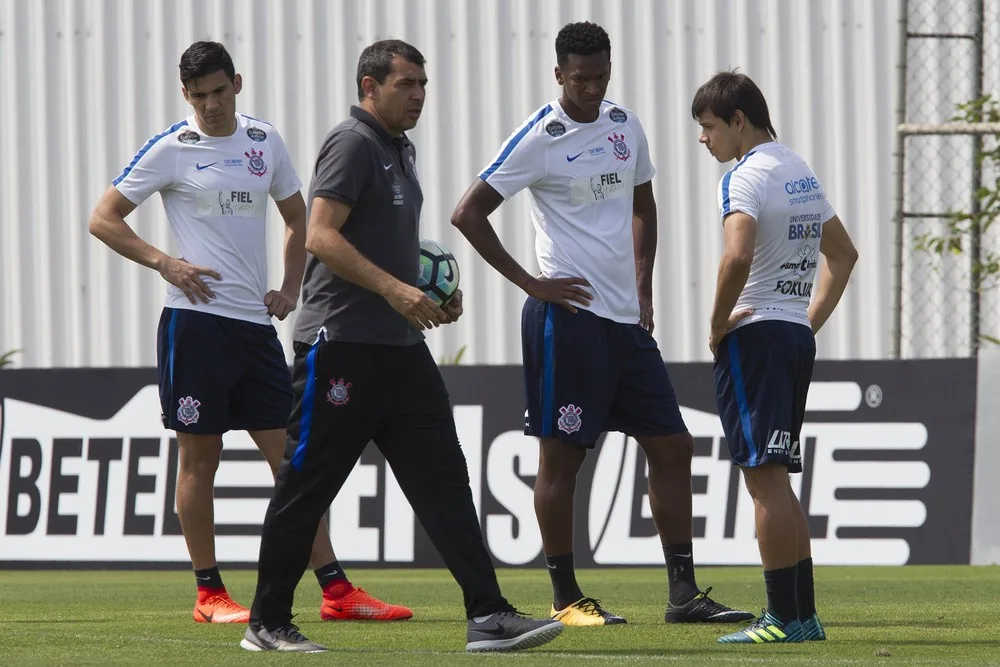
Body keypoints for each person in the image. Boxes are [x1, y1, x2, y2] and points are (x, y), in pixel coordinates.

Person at [240, 39, 565, 654]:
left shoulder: (398, 148)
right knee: (306, 485)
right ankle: (267, 622)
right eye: (406, 84)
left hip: (398, 348)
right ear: (370, 86)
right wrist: (396, 291)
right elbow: (320, 236)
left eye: (422, 84)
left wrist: (428, 295)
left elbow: (385, 244)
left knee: (445, 479)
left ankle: (488, 616)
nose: (418, 95)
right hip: (341, 348)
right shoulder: (352, 142)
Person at [88, 40, 411, 625]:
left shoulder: (264, 142)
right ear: (185, 95)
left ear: (238, 83)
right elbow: (103, 219)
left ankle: (335, 590)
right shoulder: (171, 148)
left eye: (219, 91)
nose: (211, 105)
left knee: (293, 462)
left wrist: (290, 287)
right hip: (195, 326)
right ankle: (209, 593)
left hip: (255, 329)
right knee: (199, 460)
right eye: (199, 95)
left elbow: (298, 220)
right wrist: (166, 263)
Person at [450, 21, 754, 628]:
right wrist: (533, 284)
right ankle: (564, 598)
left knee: (673, 446)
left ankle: (682, 594)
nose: (591, 89)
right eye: (580, 79)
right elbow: (468, 213)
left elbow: (644, 203)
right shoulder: (541, 136)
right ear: (559, 75)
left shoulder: (624, 125)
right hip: (568, 321)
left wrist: (643, 286)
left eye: (600, 76)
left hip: (625, 324)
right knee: (562, 461)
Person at [691, 70, 858, 644]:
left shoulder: (745, 176)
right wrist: (804, 322)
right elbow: (844, 254)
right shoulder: (798, 169)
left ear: (738, 121)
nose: (703, 139)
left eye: (708, 127)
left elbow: (735, 258)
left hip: (755, 337)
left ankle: (781, 619)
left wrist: (715, 327)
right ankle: (803, 617)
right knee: (780, 482)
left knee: (763, 483)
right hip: (789, 338)